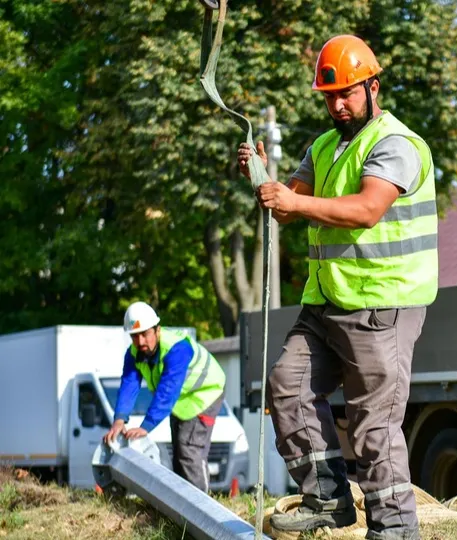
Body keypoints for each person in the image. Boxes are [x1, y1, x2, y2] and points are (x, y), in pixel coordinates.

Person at [237, 34, 437, 539]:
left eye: (346, 93)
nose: (337, 105)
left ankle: (394, 531)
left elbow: (367, 209)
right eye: (329, 97)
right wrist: (261, 178)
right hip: (326, 305)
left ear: (373, 87)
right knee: (288, 387)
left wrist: (294, 202)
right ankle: (327, 500)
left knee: (374, 427)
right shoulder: (323, 147)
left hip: (381, 307)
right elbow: (288, 204)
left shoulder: (396, 144)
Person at [103, 301, 227, 493]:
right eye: (135, 336)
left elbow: (167, 392)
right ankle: (182, 503)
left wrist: (146, 426)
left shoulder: (177, 349)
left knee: (189, 452)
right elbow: (129, 385)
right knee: (178, 455)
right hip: (181, 401)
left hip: (205, 394)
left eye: (145, 334)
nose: (140, 342)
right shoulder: (134, 354)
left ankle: (203, 503)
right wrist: (119, 420)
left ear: (157, 330)